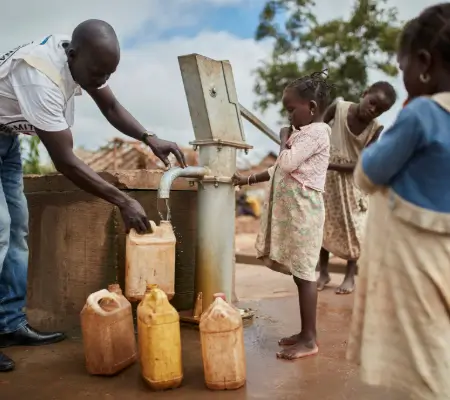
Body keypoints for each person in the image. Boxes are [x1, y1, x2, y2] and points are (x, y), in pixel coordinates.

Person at [0, 19, 186, 372]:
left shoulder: (82, 60)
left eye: (109, 72)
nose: (103, 80)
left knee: (17, 231)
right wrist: (124, 200)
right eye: (98, 71)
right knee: (0, 230)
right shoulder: (39, 76)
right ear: (72, 54)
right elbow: (67, 163)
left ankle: (8, 324)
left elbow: (111, 108)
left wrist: (149, 137)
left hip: (6, 140)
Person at [347, 4, 450, 398]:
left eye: (402, 65)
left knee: (423, 365)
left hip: (417, 261)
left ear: (424, 62)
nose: (403, 76)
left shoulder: (421, 114)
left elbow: (367, 174)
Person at [233, 71, 333, 360]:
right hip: (297, 214)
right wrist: (247, 180)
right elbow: (277, 169)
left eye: (292, 109)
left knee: (305, 274)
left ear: (311, 107)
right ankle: (304, 333)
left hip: (305, 213)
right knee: (300, 276)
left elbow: (286, 163)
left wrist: (283, 139)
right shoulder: (304, 135)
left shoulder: (316, 133)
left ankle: (310, 339)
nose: (289, 116)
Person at [316, 81, 397, 294]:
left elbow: (363, 163)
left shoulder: (375, 128)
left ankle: (350, 276)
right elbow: (318, 129)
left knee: (355, 229)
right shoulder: (339, 108)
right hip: (327, 181)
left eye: (380, 110)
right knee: (323, 226)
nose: (373, 110)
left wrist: (331, 164)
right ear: (364, 93)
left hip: (353, 183)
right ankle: (323, 272)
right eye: (372, 103)